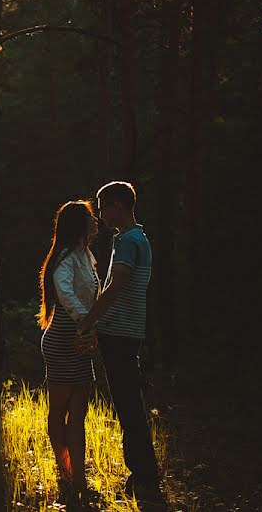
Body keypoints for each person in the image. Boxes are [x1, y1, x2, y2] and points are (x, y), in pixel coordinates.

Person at [77, 181, 165, 504]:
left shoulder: (128, 241)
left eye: (102, 208)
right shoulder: (135, 239)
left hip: (122, 334)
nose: (99, 215)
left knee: (128, 407)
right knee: (129, 404)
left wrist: (90, 318)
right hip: (126, 333)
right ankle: (143, 472)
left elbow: (117, 285)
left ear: (117, 205)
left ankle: (144, 475)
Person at [37, 200, 100, 506]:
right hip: (63, 340)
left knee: (79, 415)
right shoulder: (64, 258)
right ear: (78, 223)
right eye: (90, 217)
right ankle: (65, 473)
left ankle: (79, 480)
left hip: (81, 340)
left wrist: (89, 329)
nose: (96, 221)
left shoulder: (86, 256)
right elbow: (66, 294)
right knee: (59, 411)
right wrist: (85, 324)